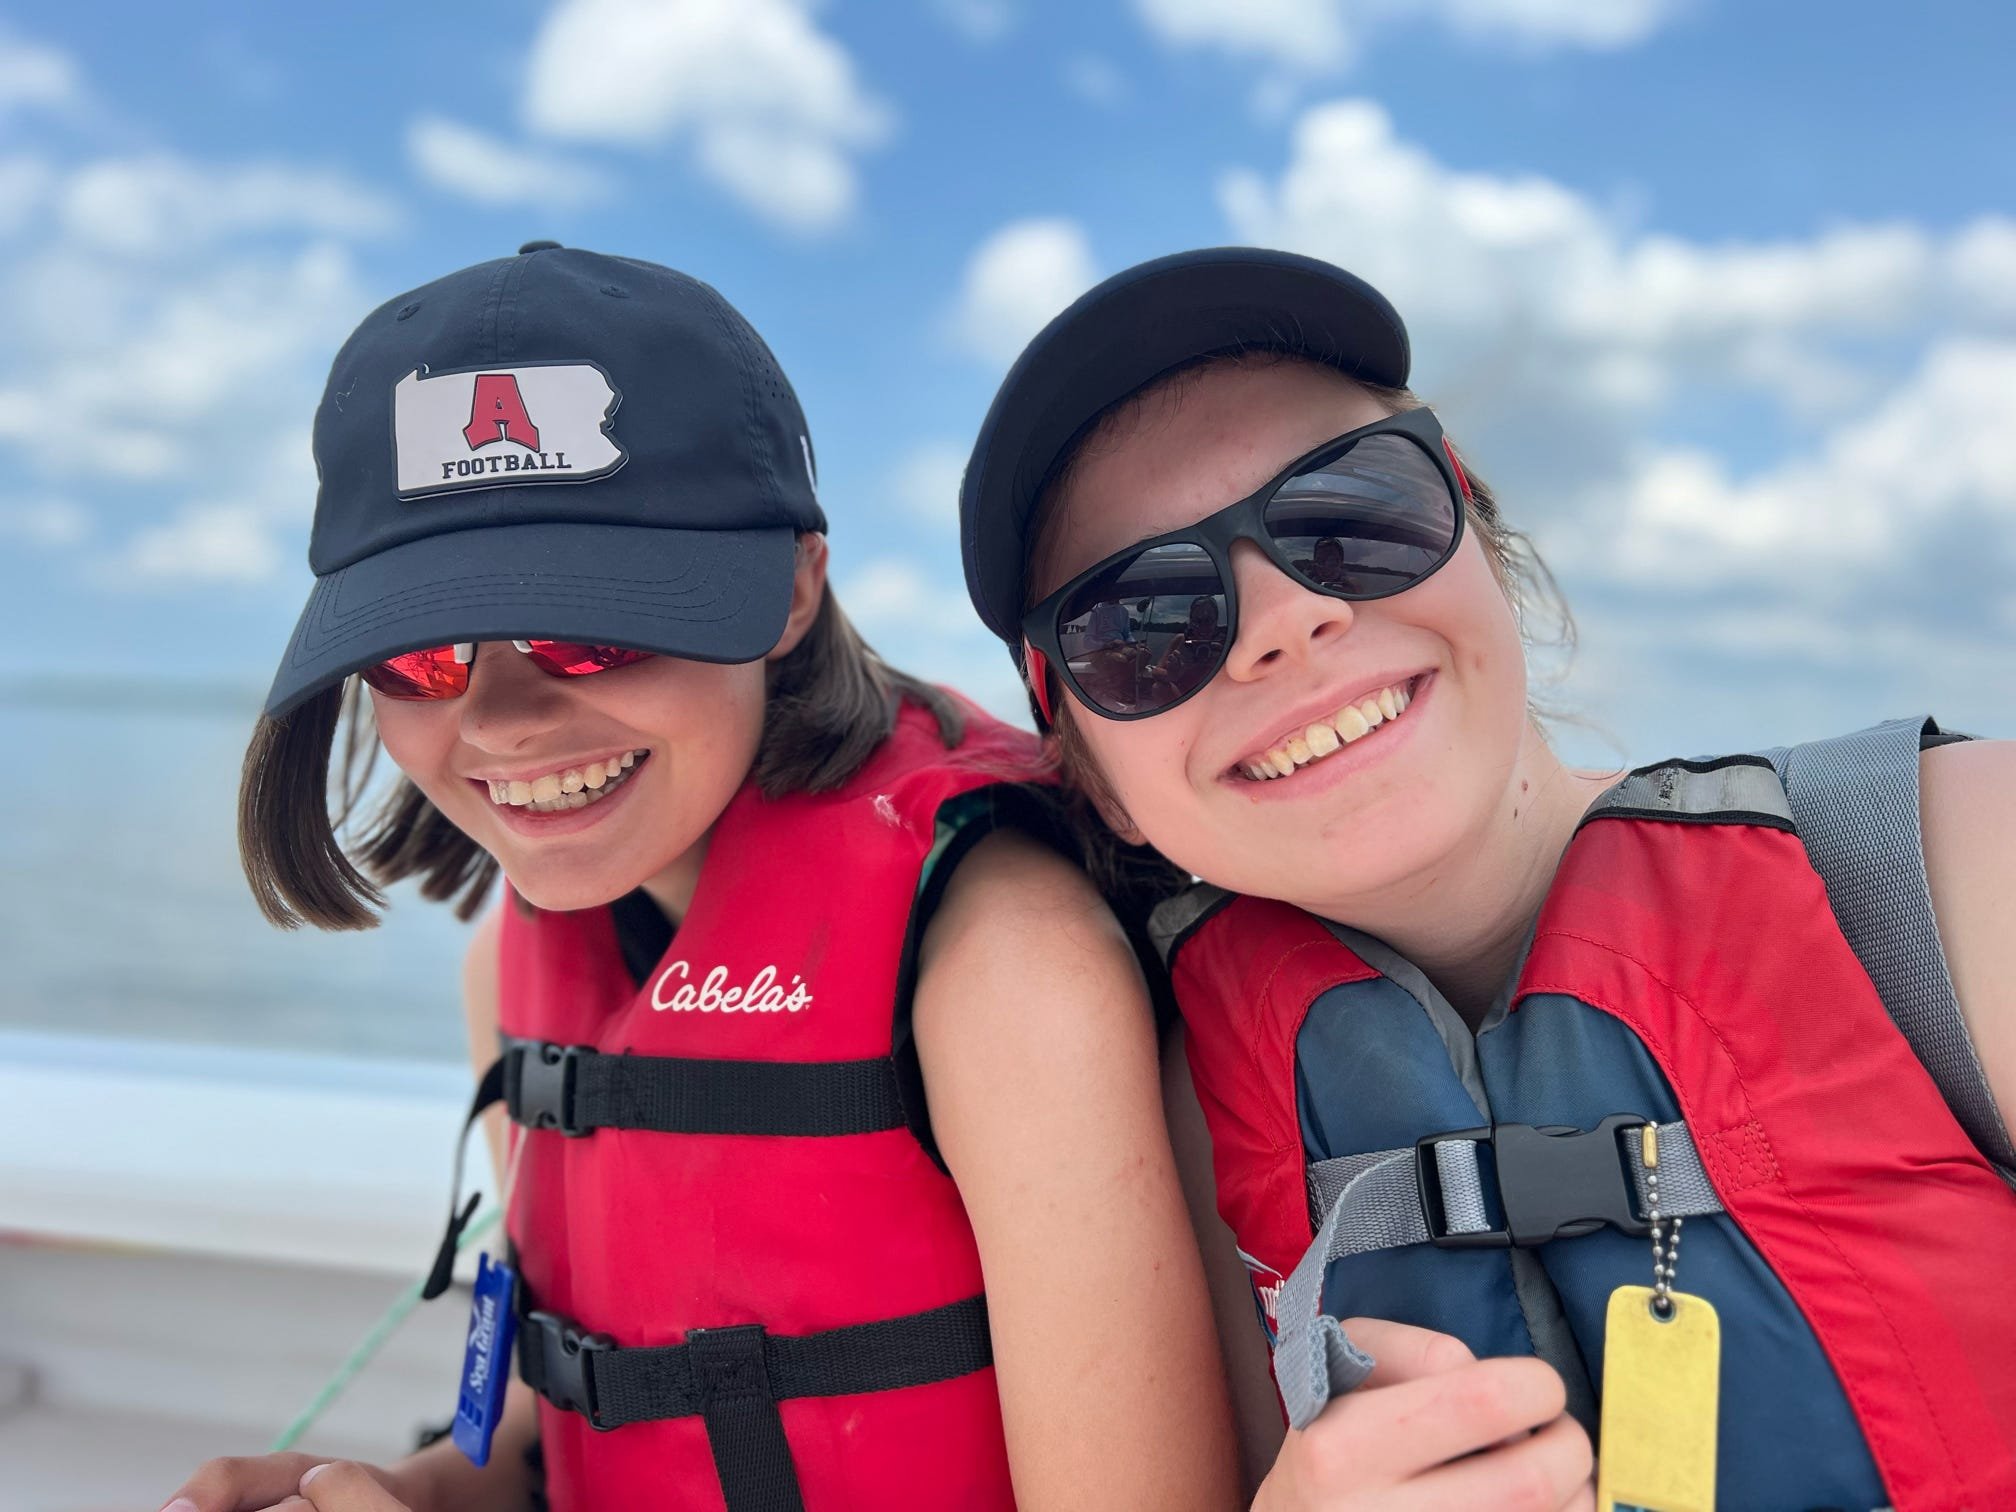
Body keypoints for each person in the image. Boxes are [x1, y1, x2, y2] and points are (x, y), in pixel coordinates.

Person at [161, 245, 1239, 1512]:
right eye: (425, 654)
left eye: (590, 627)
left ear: (789, 588)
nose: (505, 722)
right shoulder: (507, 967)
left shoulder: (1003, 967)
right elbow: (541, 1431)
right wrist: (408, 1495)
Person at [959, 247, 2016, 1509]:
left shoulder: (1960, 874)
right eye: (1140, 621)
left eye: (1348, 513)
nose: (1286, 621)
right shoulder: (1165, 1116)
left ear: (1474, 520)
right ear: (1084, 758)